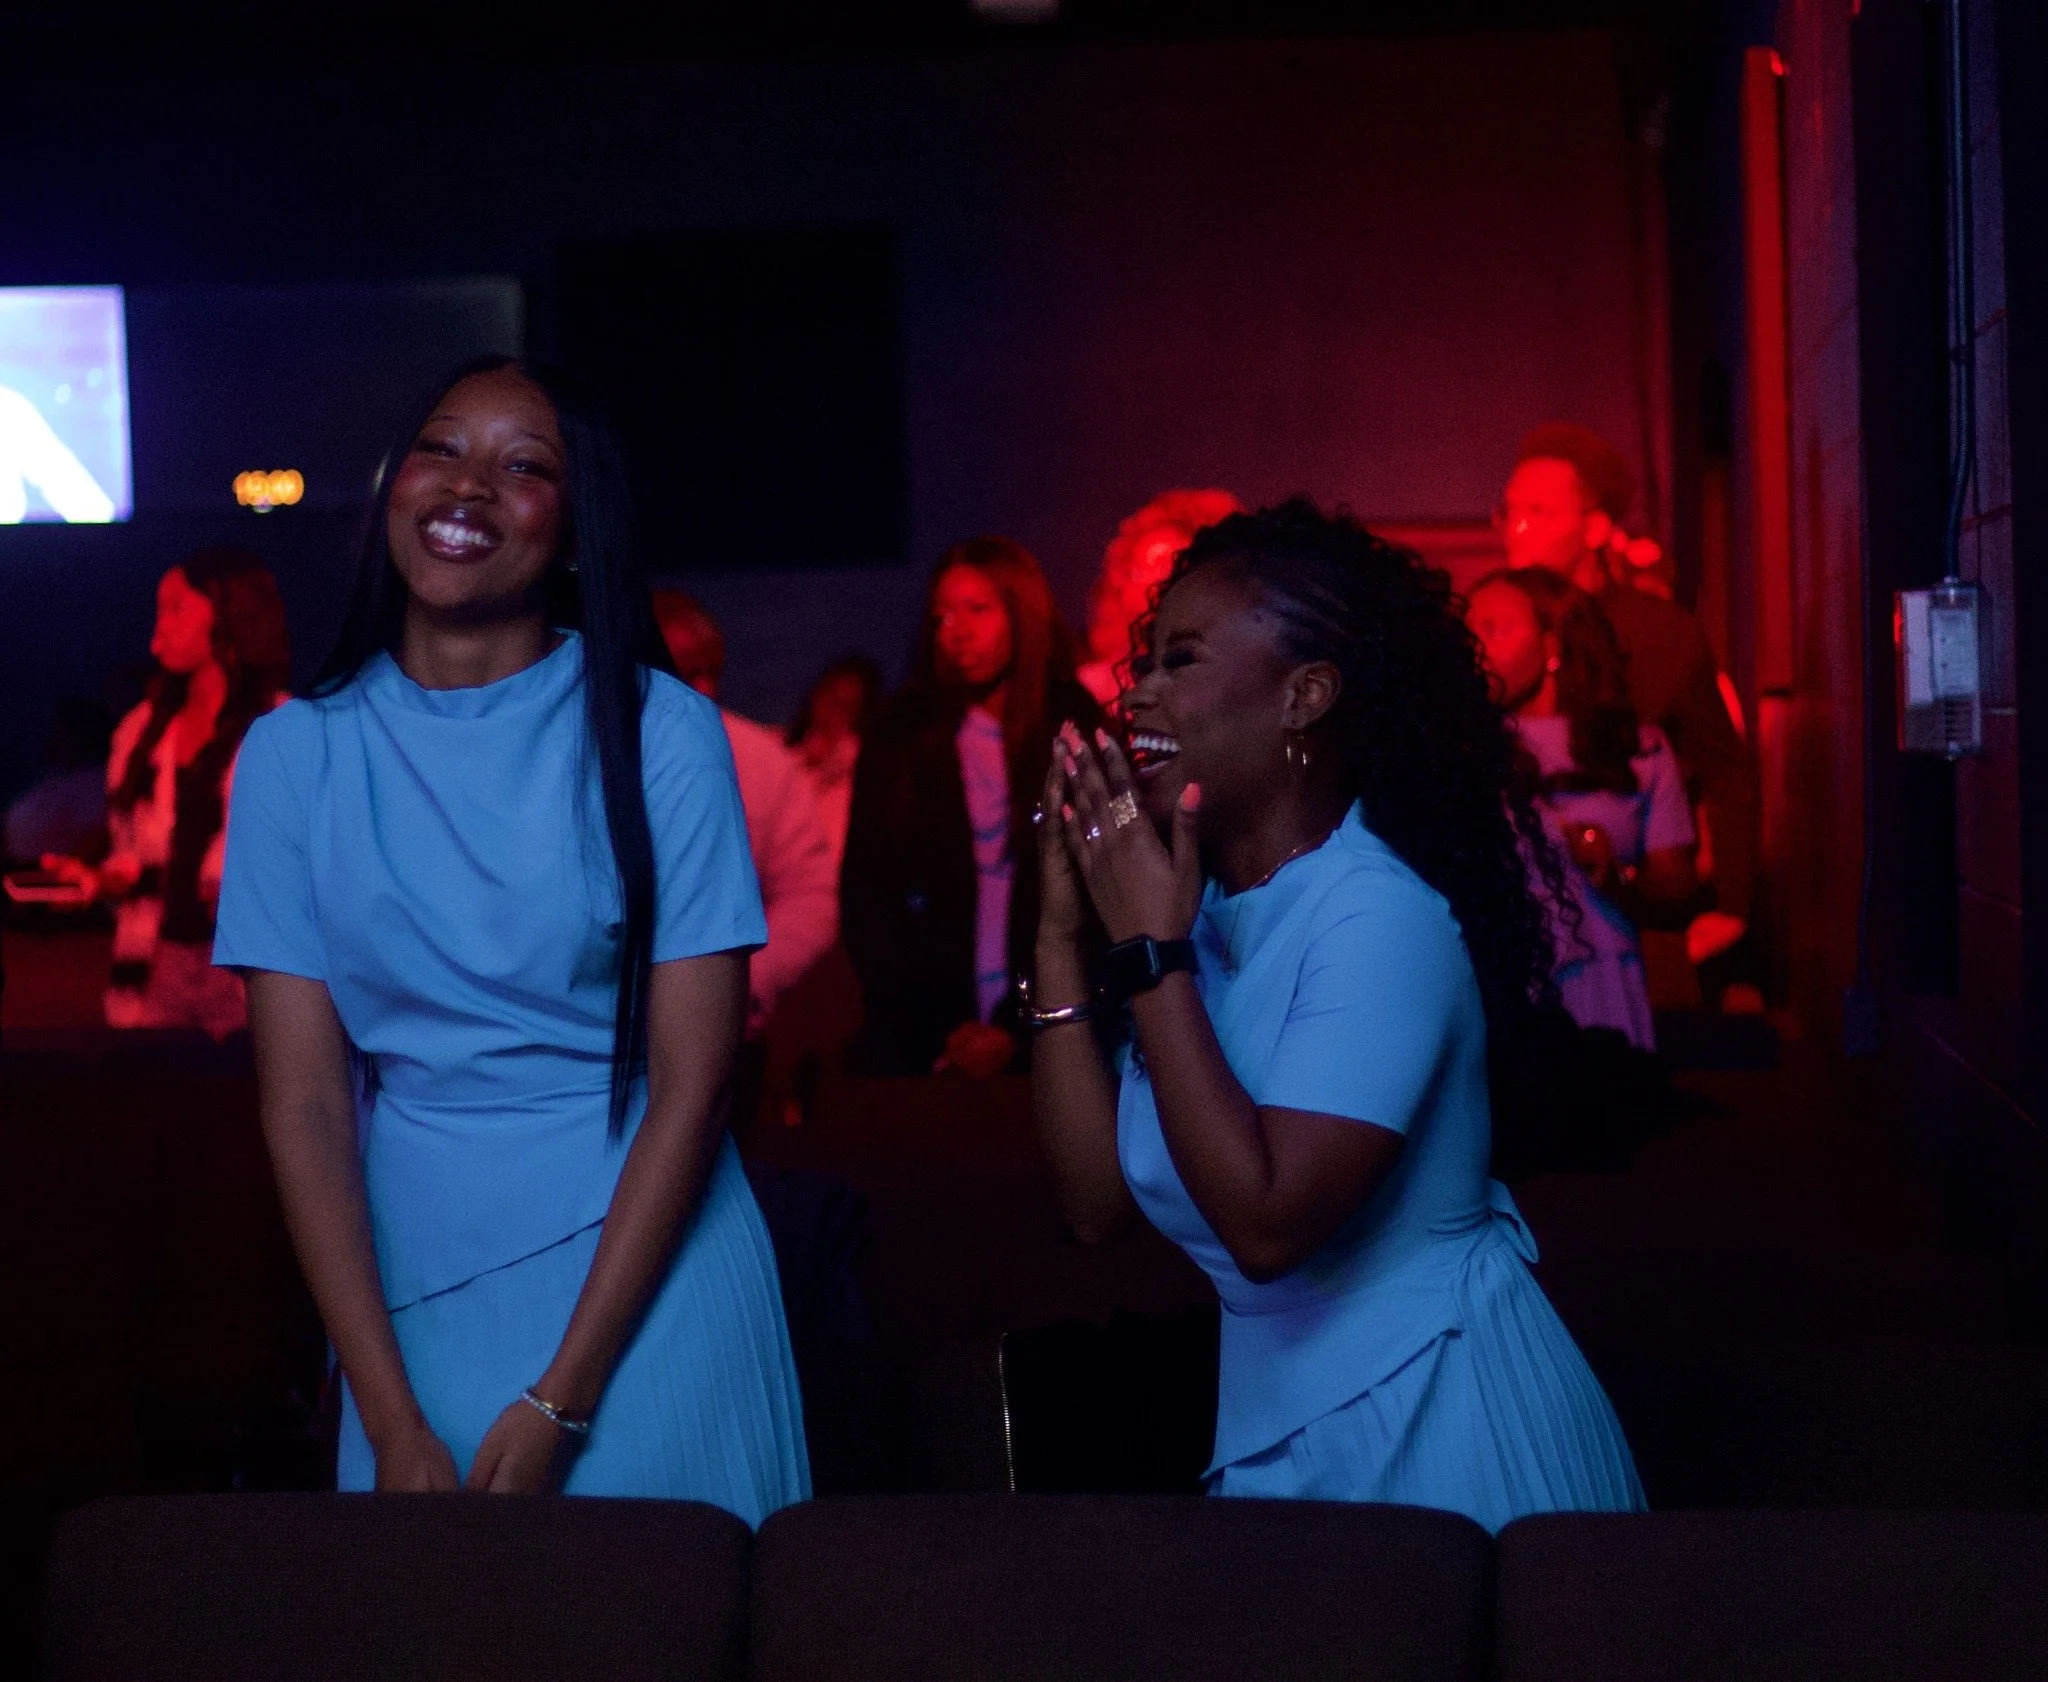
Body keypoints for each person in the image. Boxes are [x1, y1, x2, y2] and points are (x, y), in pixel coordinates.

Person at [212, 358, 809, 1518]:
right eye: (441, 447)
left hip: (648, 1281)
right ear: (394, 483)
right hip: (413, 1295)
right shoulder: (292, 756)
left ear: (578, 528)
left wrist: (561, 1399)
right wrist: (386, 1413)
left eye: (523, 465)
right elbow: (305, 1104)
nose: (468, 484)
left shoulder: (663, 733)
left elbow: (695, 1084)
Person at [1030, 500, 1642, 1533]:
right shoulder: (1201, 917)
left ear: (1301, 698)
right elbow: (1094, 1206)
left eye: (1179, 659)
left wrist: (1151, 953)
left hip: (1445, 1433)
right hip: (1281, 1443)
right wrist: (1058, 937)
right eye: (1146, 659)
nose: (1138, 689)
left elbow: (1268, 1222)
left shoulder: (1380, 917)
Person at [1497, 424, 1757, 998]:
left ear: (1594, 526)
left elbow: (1725, 770)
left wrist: (1733, 906)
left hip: (1626, 922)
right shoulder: (1490, 624)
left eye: (1538, 512)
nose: (1516, 529)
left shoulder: (1662, 635)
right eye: (1510, 510)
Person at [841, 537, 1100, 1078]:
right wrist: (940, 1028)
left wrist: (1016, 1029)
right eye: (942, 614)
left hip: (1055, 1029)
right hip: (924, 1038)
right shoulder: (903, 733)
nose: (956, 631)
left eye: (978, 609)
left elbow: (1097, 896)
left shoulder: (1071, 724)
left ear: (1021, 613)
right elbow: (868, 897)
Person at [42, 550, 289, 1039]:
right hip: (157, 965)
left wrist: (240, 886)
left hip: (248, 974)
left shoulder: (285, 730)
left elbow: (317, 864)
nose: (164, 627)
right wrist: (93, 881)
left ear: (228, 613)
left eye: (178, 608)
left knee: (246, 1104)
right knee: (157, 1101)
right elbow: (134, 859)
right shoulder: (140, 732)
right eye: (161, 611)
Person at [1466, 568, 1697, 1049]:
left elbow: (1677, 887)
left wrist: (1616, 877)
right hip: (1501, 993)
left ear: (1553, 645)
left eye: (1495, 629)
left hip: (1607, 991)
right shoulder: (1465, 752)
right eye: (1468, 629)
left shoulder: (1638, 750)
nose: (1475, 645)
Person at [651, 589, 840, 1041]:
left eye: (711, 672)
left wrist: (747, 982)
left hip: (725, 1032)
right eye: (687, 670)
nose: (705, 690)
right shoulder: (574, 755)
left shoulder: (759, 759)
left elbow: (809, 893)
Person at [1077, 489, 1244, 707]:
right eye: (1138, 571)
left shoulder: (1236, 680)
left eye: (1166, 569)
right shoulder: (1092, 688)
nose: (1151, 588)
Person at [786, 655, 883, 874]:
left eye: (846, 708)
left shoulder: (864, 781)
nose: (832, 716)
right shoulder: (783, 758)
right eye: (829, 700)